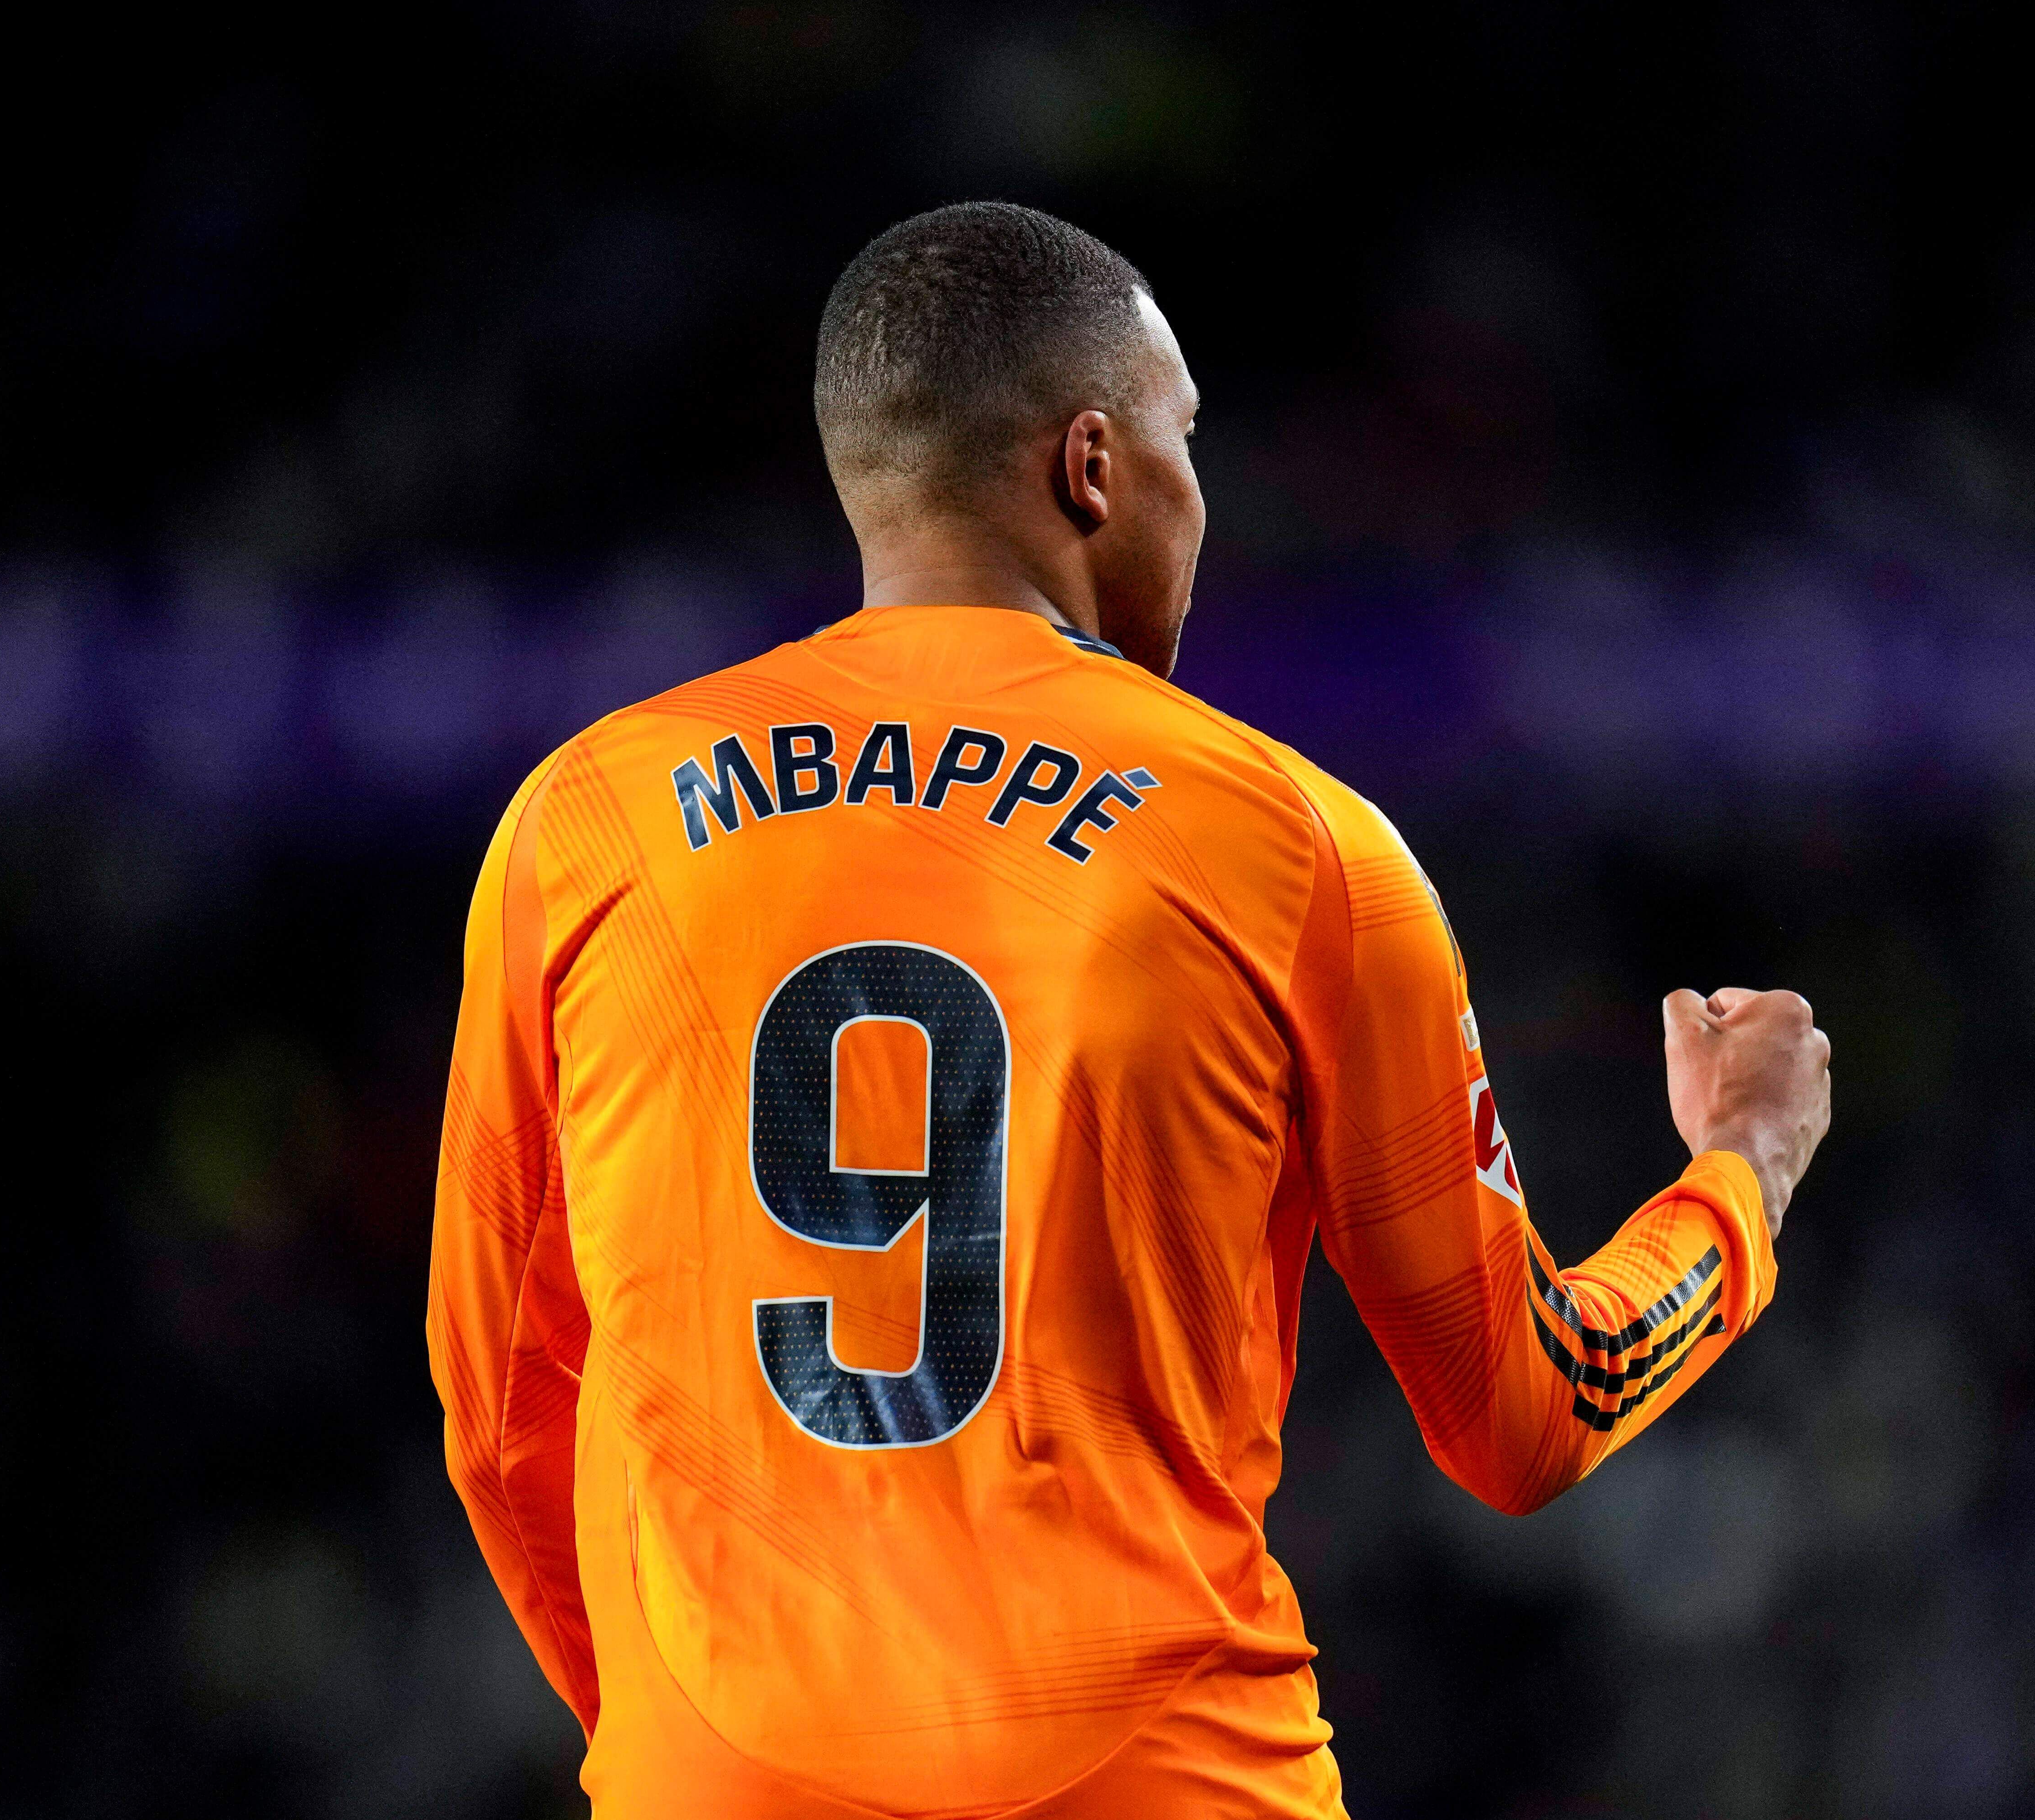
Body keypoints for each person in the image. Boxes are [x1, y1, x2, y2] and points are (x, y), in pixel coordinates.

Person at [427, 201, 1833, 1819]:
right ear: (1090, 465)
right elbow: (1527, 1412)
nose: (1198, 498)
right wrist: (1740, 1172)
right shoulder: (1293, 843)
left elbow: (498, 1416)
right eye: (1186, 441)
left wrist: (673, 1747)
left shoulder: (585, 821)